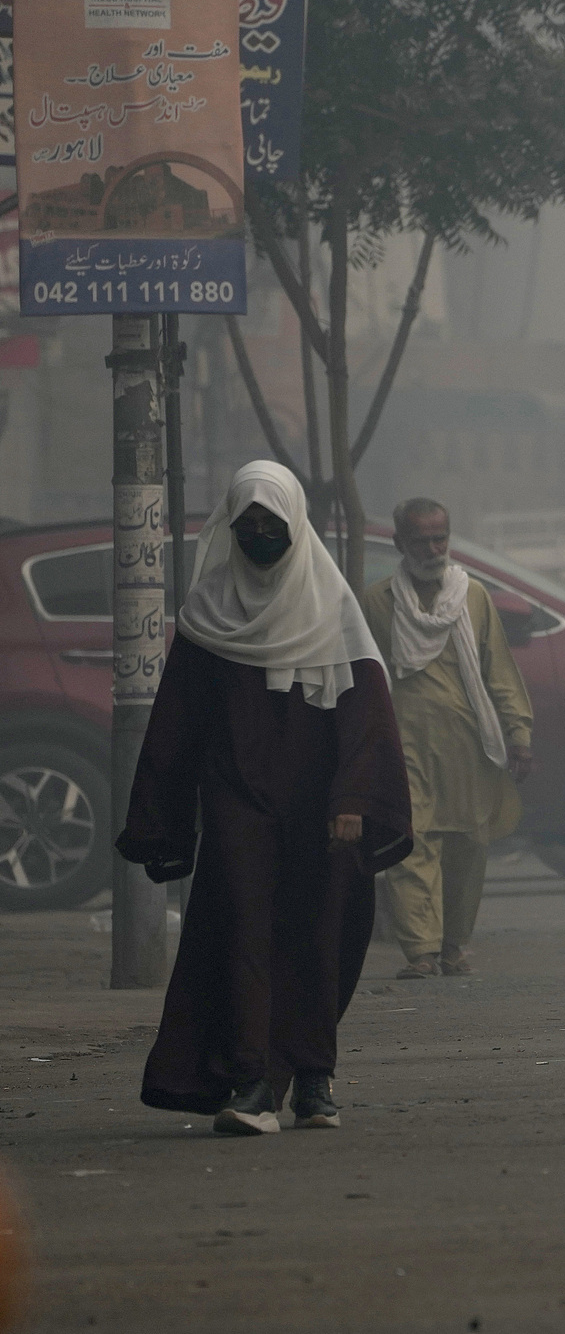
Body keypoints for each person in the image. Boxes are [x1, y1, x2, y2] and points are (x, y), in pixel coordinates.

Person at [116, 461, 412, 1136]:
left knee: (317, 934)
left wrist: (353, 799)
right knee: (241, 931)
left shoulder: (332, 607)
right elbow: (178, 722)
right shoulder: (209, 610)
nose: (257, 535)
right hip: (237, 798)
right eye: (246, 525)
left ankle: (312, 1077)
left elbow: (366, 718)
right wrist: (162, 816)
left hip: (322, 805)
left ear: (294, 526)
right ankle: (251, 1081)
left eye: (270, 525)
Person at [361, 499, 535, 979]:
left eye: (441, 538)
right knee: (410, 841)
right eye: (422, 541)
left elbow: (498, 668)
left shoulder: (472, 596)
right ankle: (420, 952)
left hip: (467, 745)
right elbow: (366, 679)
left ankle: (455, 946)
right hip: (405, 743)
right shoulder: (378, 602)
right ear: (400, 544)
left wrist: (518, 734)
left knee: (466, 847)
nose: (434, 549)